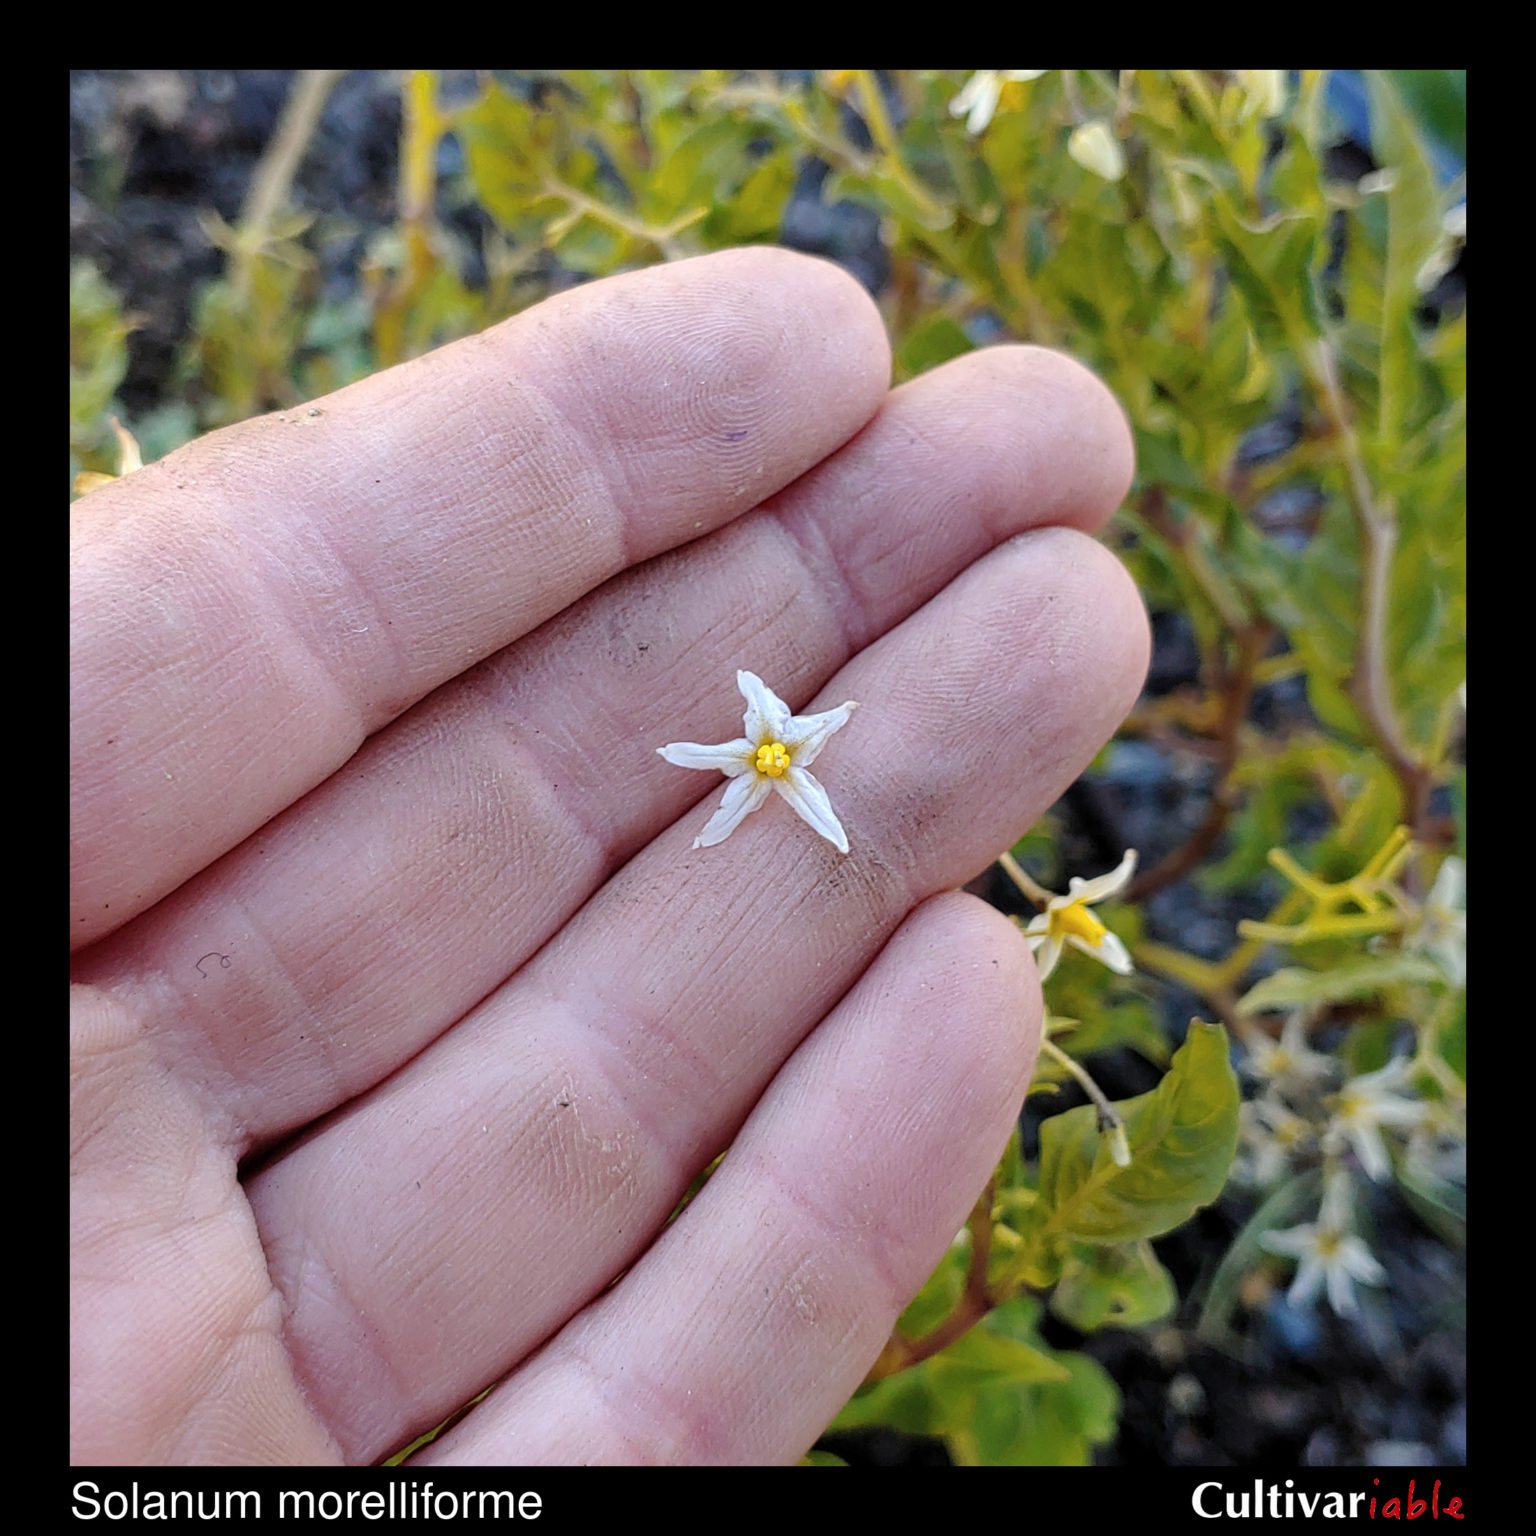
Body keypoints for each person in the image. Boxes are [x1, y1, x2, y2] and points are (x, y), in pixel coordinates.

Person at [70, 246, 1148, 1465]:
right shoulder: (759, 756)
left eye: (780, 757)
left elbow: (777, 750)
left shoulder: (777, 760)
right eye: (774, 754)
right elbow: (755, 745)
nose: (779, 759)